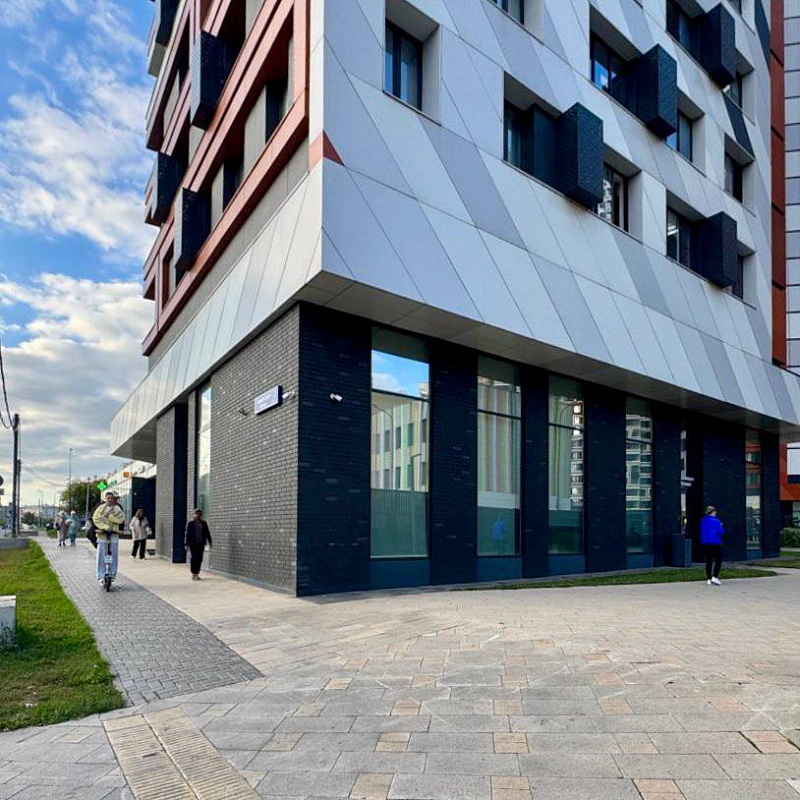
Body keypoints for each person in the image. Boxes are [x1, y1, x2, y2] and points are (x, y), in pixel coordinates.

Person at [92, 491, 125, 583]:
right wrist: (105, 527)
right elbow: (96, 518)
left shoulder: (118, 508)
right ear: (105, 499)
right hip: (102, 535)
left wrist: (109, 518)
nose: (110, 500)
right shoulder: (100, 508)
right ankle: (100, 576)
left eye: (112, 498)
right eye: (108, 498)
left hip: (114, 535)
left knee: (113, 556)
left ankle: (112, 574)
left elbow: (121, 520)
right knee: (101, 556)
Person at [184, 509, 212, 581]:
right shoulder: (190, 523)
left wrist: (210, 541)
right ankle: (193, 573)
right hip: (193, 544)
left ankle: (197, 573)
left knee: (199, 559)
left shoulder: (204, 523)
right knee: (194, 558)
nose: (198, 515)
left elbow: (207, 533)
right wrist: (186, 544)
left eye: (199, 514)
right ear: (194, 515)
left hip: (201, 543)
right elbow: (187, 534)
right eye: (196, 514)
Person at [700, 504, 724, 586]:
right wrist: (721, 526)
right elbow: (721, 532)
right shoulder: (716, 521)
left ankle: (709, 578)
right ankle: (715, 576)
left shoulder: (703, 521)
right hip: (715, 543)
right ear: (713, 512)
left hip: (705, 543)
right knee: (718, 560)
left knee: (709, 561)